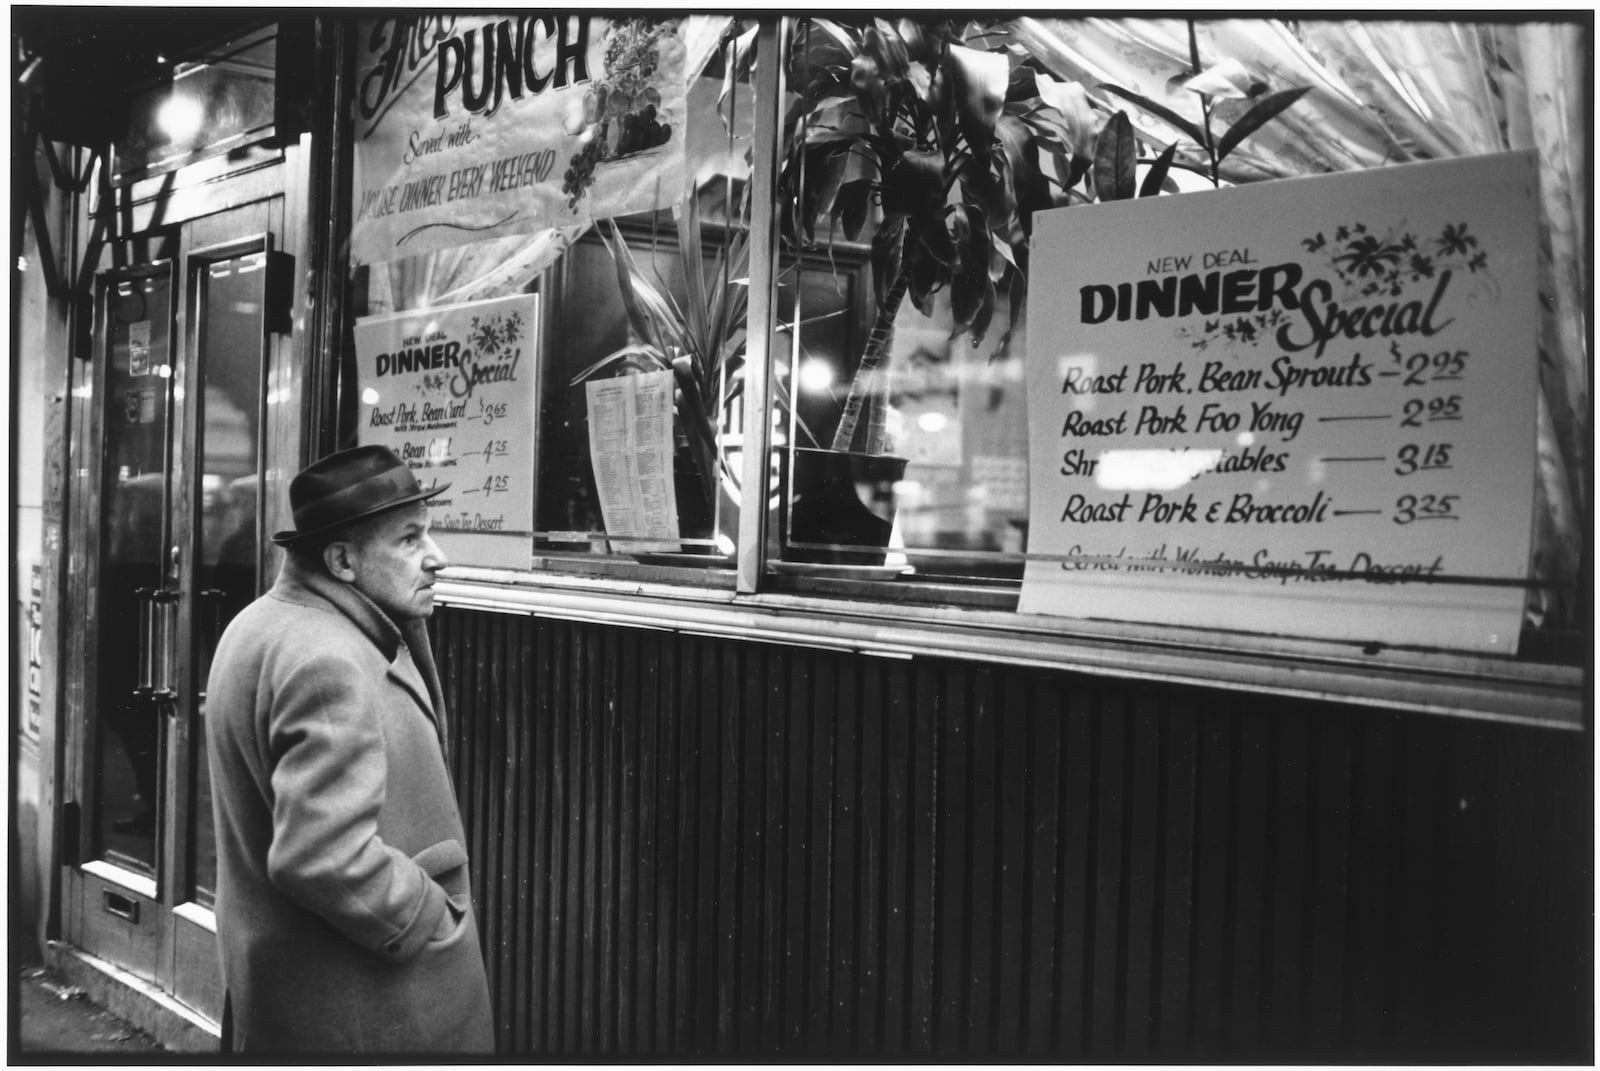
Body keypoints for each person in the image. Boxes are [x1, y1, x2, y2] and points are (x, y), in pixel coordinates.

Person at [205, 444, 494, 1054]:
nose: (437, 558)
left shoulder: (261, 623)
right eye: (410, 540)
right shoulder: (327, 659)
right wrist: (425, 917)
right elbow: (323, 857)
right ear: (342, 560)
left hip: (300, 990)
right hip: (363, 1006)